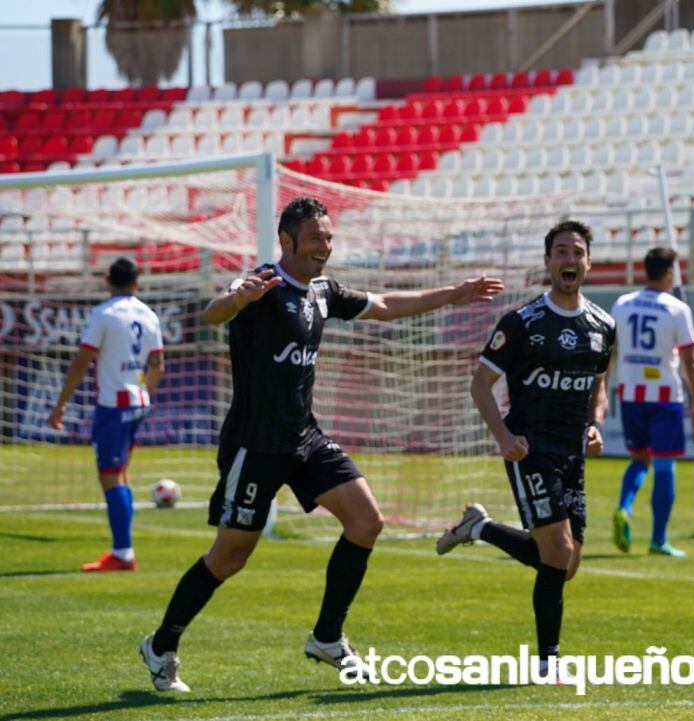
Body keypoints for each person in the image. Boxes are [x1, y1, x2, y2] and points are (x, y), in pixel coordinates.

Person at [139, 196, 504, 692]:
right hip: (256, 444)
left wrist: (453, 293)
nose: (325, 247)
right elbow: (212, 314)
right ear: (287, 241)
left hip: (304, 437)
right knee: (229, 558)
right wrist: (239, 298)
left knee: (367, 521)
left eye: (329, 238)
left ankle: (327, 637)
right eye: (315, 238)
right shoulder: (262, 282)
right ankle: (161, 645)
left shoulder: (322, 292)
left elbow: (386, 305)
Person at [436, 220, 615, 678]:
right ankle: (548, 663)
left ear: (588, 262)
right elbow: (481, 384)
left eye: (577, 252)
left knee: (566, 563)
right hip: (529, 449)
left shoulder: (603, 326)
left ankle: (480, 529)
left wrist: (595, 424)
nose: (569, 260)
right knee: (556, 550)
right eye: (560, 252)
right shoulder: (522, 323)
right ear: (548, 263)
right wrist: (503, 437)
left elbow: (599, 384)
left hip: (572, 453)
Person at [48, 258, 165, 572]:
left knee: (110, 476)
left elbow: (83, 360)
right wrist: (145, 396)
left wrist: (61, 404)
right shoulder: (149, 314)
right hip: (137, 401)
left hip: (114, 405)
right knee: (120, 474)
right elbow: (157, 365)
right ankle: (123, 551)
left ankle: (123, 553)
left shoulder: (103, 314)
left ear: (107, 281)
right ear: (137, 283)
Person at [608, 247, 694, 558]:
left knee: (639, 459)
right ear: (668, 273)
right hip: (664, 396)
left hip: (630, 394)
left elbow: (610, 352)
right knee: (665, 465)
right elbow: (691, 361)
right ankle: (658, 540)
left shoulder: (622, 304)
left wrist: (602, 390)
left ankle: (625, 507)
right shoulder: (676, 308)